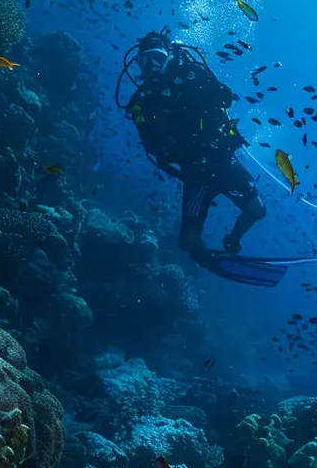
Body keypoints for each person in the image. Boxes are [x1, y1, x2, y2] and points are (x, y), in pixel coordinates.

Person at [118, 31, 277, 283]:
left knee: (257, 209)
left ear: (169, 55)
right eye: (144, 60)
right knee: (188, 241)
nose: (151, 66)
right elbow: (152, 147)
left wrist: (201, 90)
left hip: (223, 162)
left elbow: (225, 98)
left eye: (156, 58)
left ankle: (233, 240)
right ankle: (207, 259)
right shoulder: (144, 100)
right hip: (195, 174)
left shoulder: (191, 74)